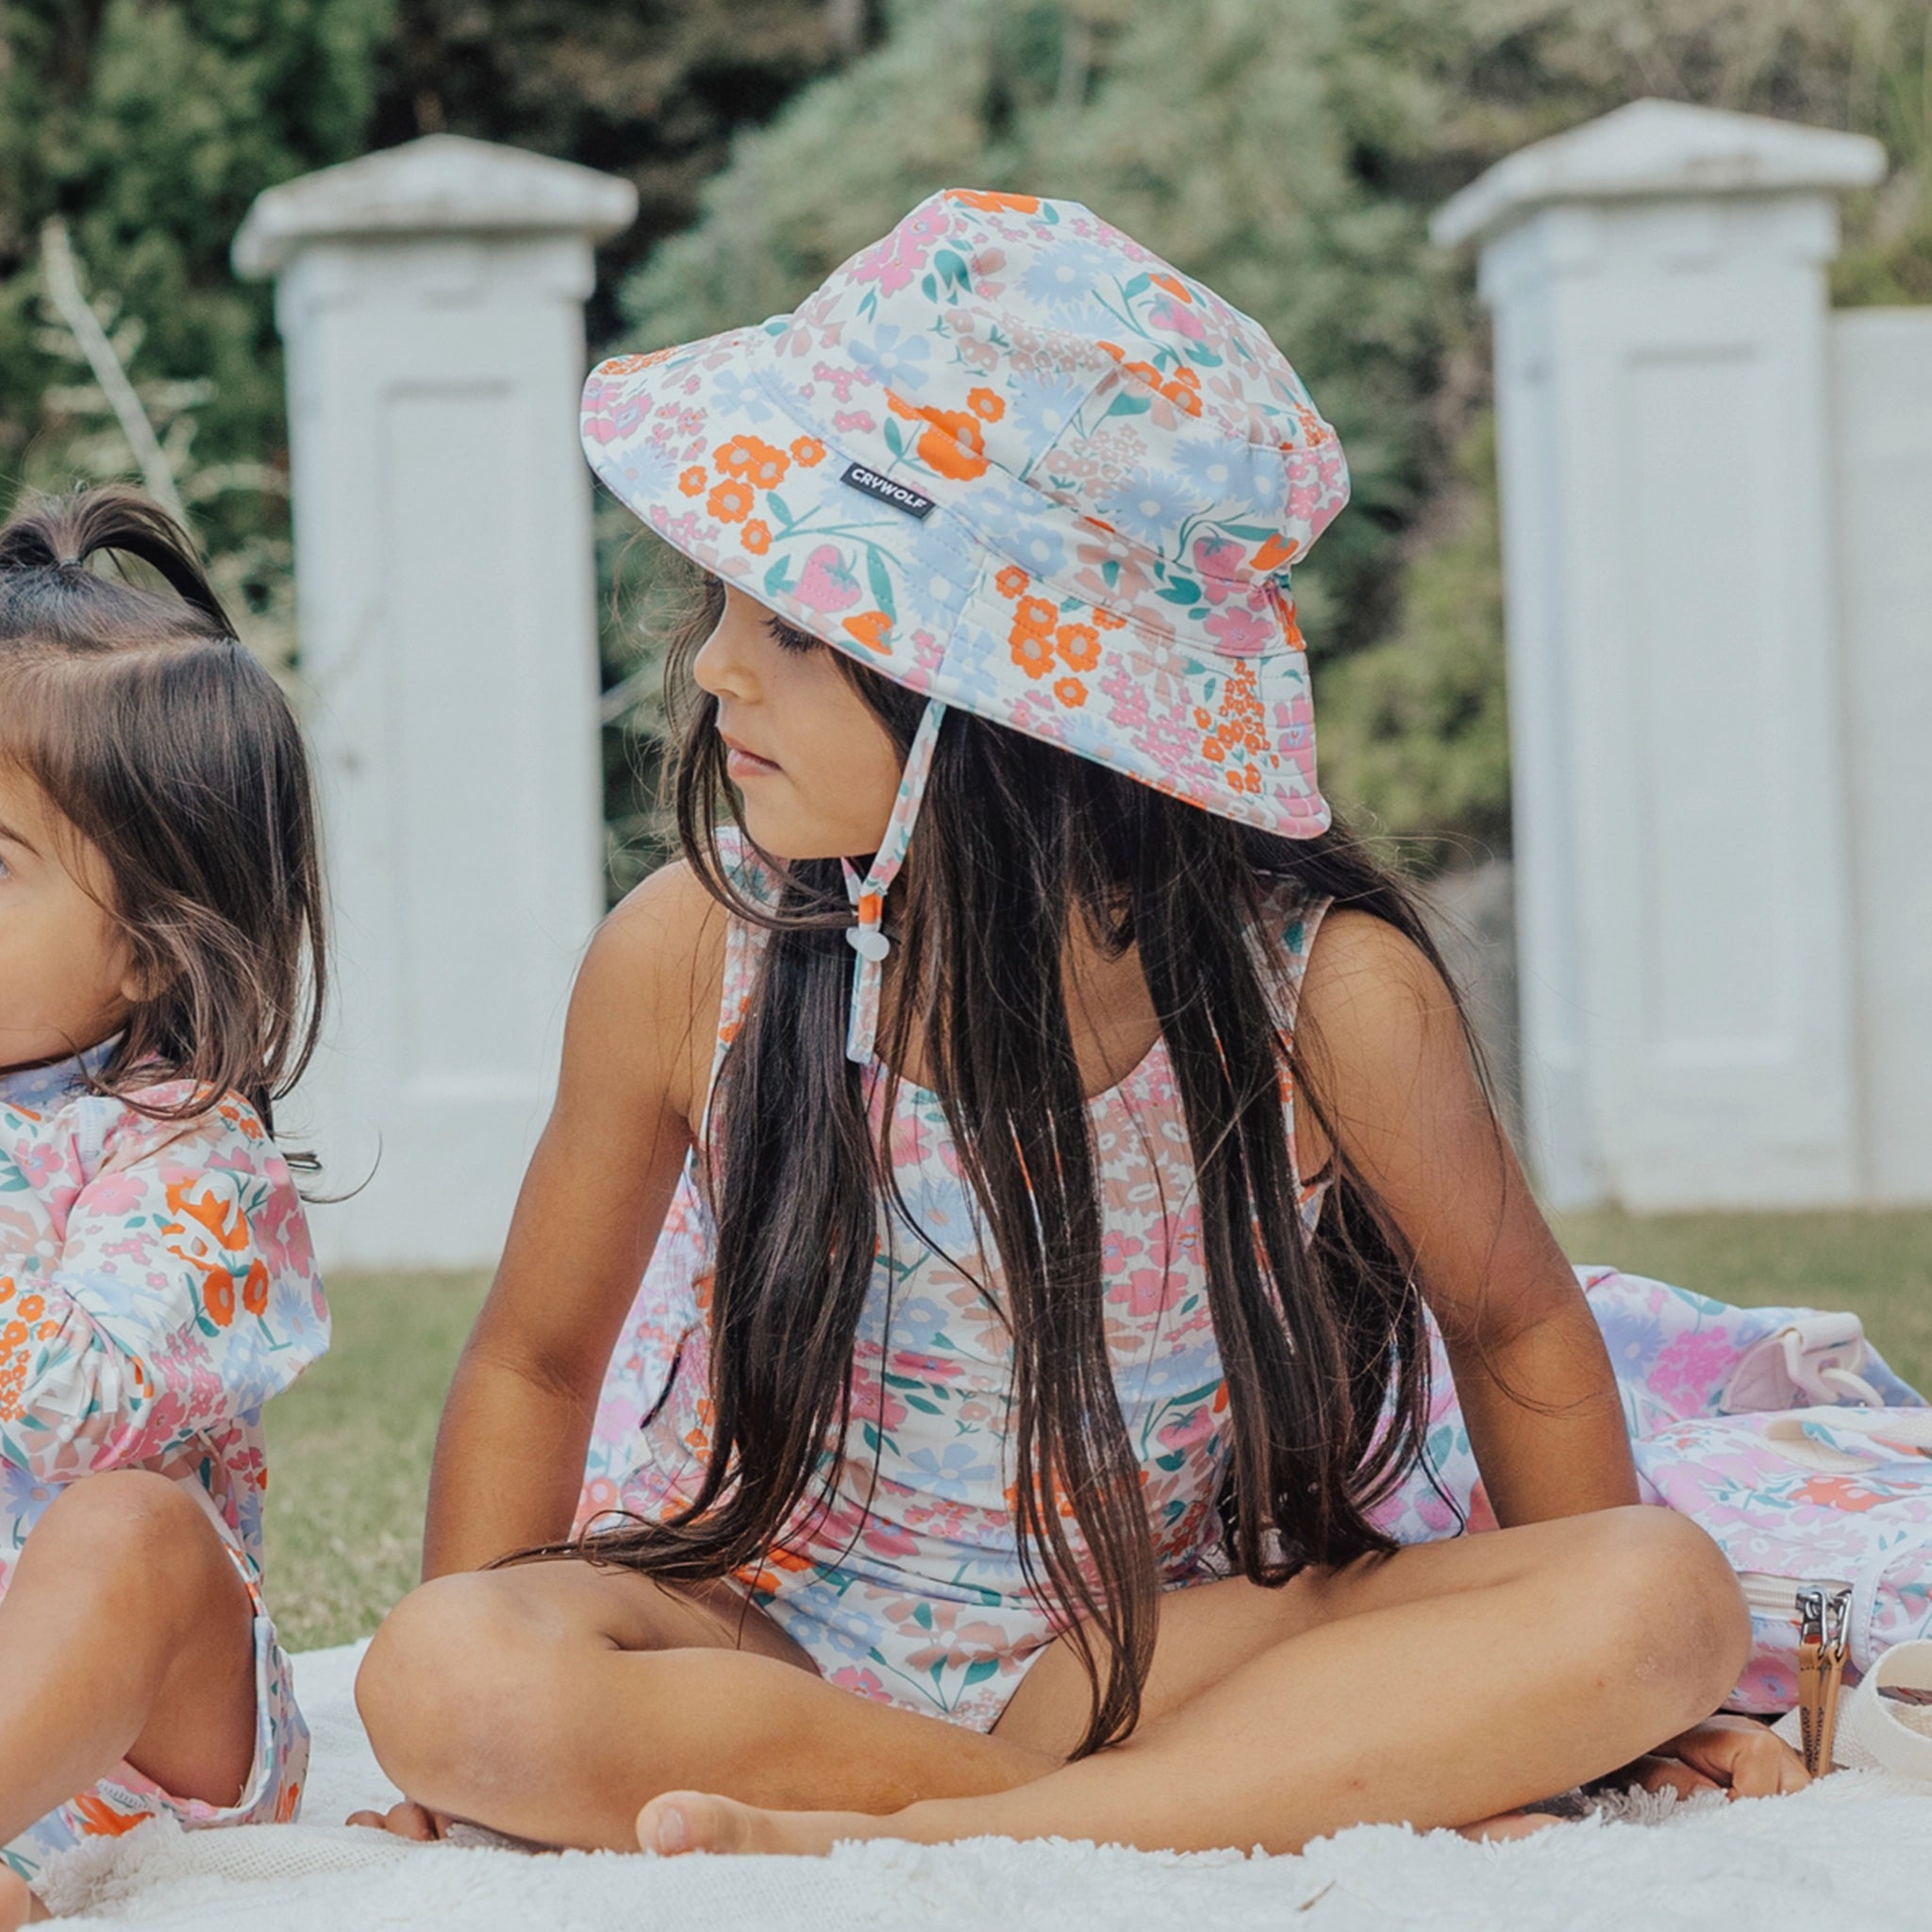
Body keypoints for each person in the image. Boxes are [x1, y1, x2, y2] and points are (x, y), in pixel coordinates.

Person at [354, 190, 1783, 1859]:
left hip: (1141, 1645)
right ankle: (1154, 1820)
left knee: (1656, 1599)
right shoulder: (693, 956)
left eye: (797, 628)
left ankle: (949, 1831)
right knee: (448, 1675)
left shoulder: (1317, 996)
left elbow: (1520, 1331)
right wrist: (446, 1773)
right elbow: (536, 1359)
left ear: (1013, 707)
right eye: (729, 604)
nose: (716, 671)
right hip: (760, 1637)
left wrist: (1622, 1712)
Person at [0, 490, 329, 1925]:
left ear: (146, 953)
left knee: (131, 1528)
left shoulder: (188, 1154)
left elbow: (83, 1403)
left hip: (148, 1740)